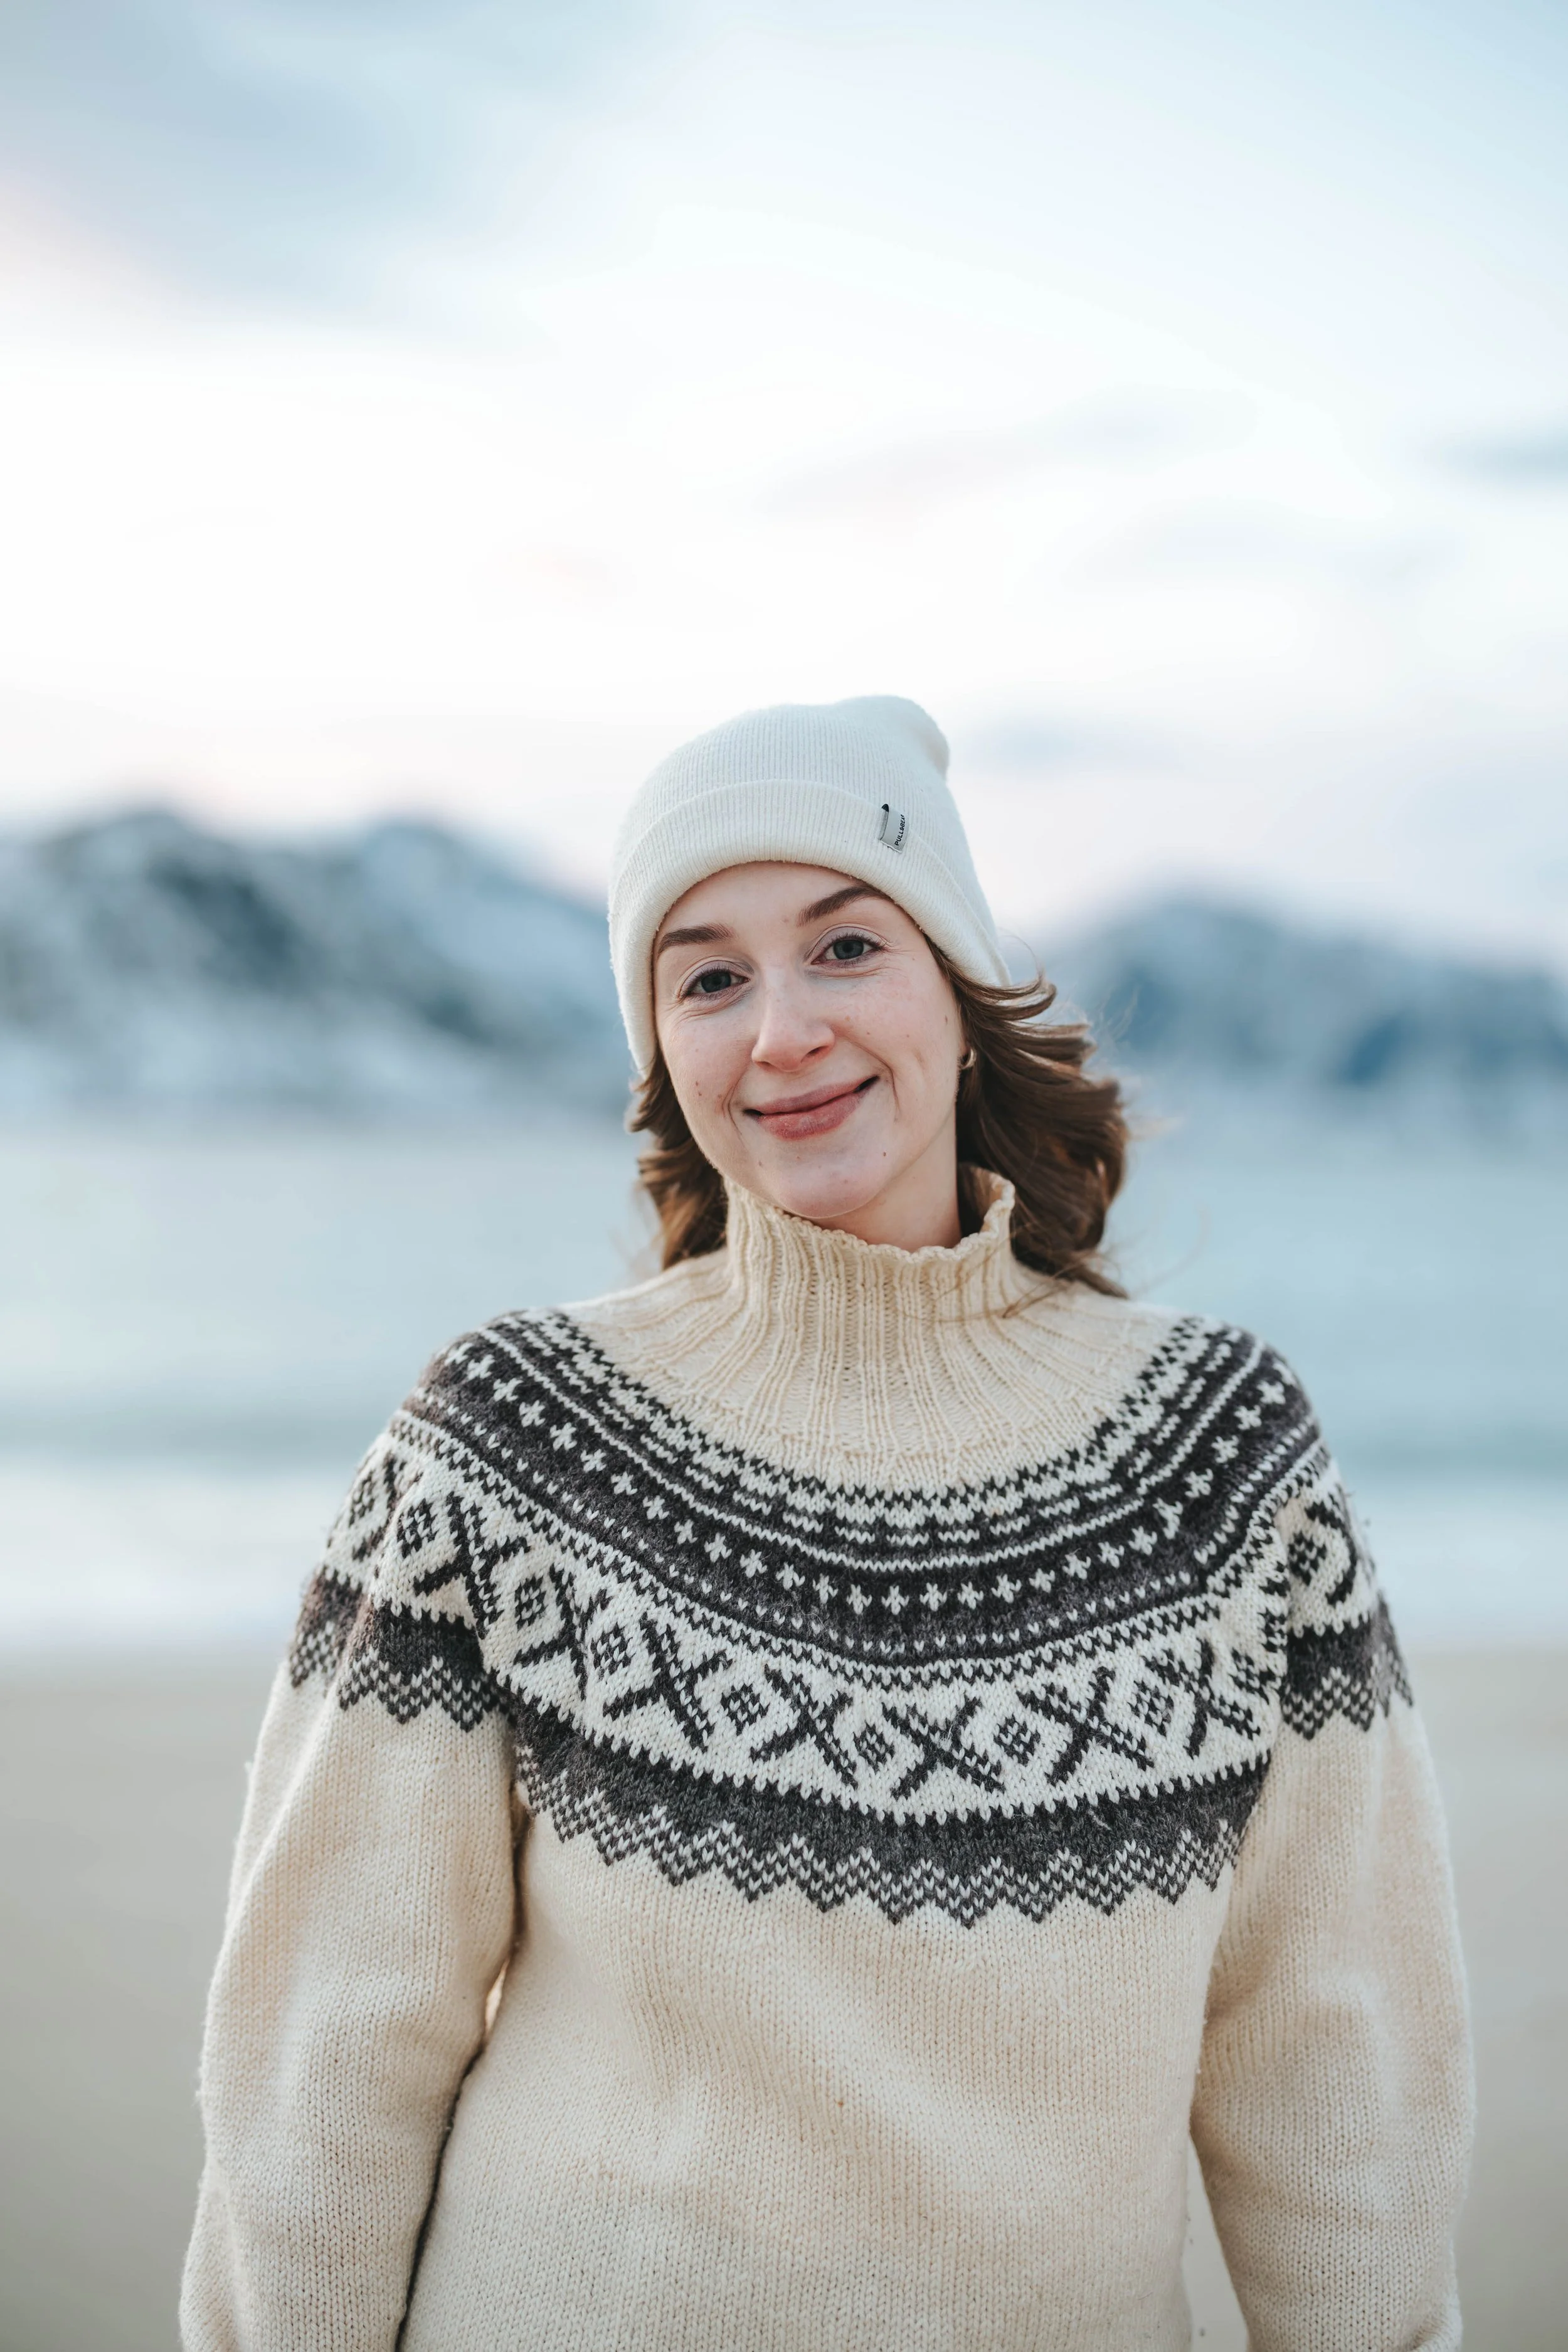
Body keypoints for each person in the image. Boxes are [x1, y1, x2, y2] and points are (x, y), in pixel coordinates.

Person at [182, 697, 1471, 2351]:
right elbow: (323, 2053)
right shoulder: (511, 1434)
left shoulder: (1221, 1455)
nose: (779, 1028)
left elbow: (1332, 2062)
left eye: (845, 945)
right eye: (707, 975)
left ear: (955, 982)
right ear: (661, 1052)